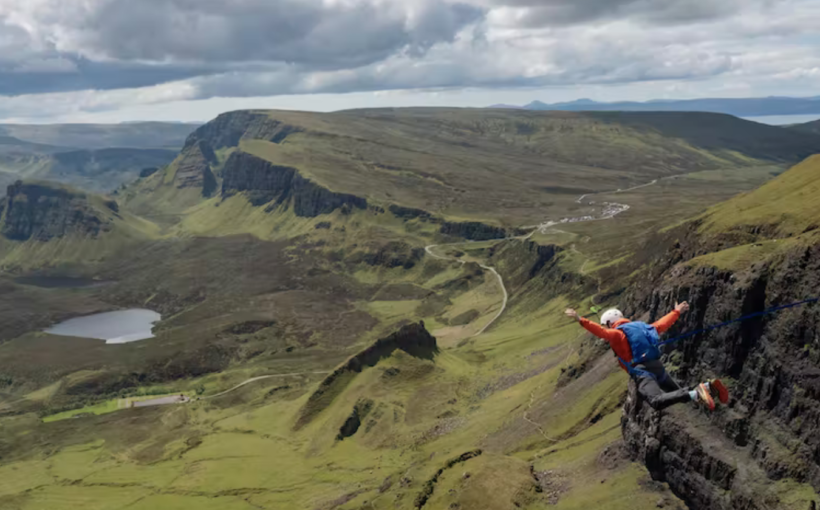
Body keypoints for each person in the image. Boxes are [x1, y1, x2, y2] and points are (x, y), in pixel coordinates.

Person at [564, 302, 728, 411]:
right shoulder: (643, 327)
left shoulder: (615, 333)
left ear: (609, 322)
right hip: (657, 366)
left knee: (656, 401)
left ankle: (699, 392)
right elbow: (662, 324)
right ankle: (708, 386)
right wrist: (676, 311)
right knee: (679, 394)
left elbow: (601, 333)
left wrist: (580, 319)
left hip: (643, 371)